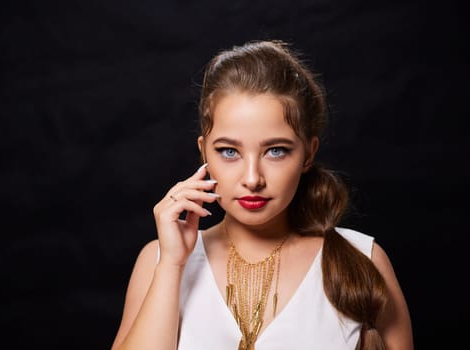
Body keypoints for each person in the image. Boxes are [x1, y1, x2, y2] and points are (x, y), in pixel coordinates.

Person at [111, 40, 414, 350]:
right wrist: (172, 265)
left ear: (308, 154)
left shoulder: (363, 259)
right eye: (229, 151)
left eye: (276, 151)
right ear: (203, 151)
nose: (253, 179)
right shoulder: (160, 260)